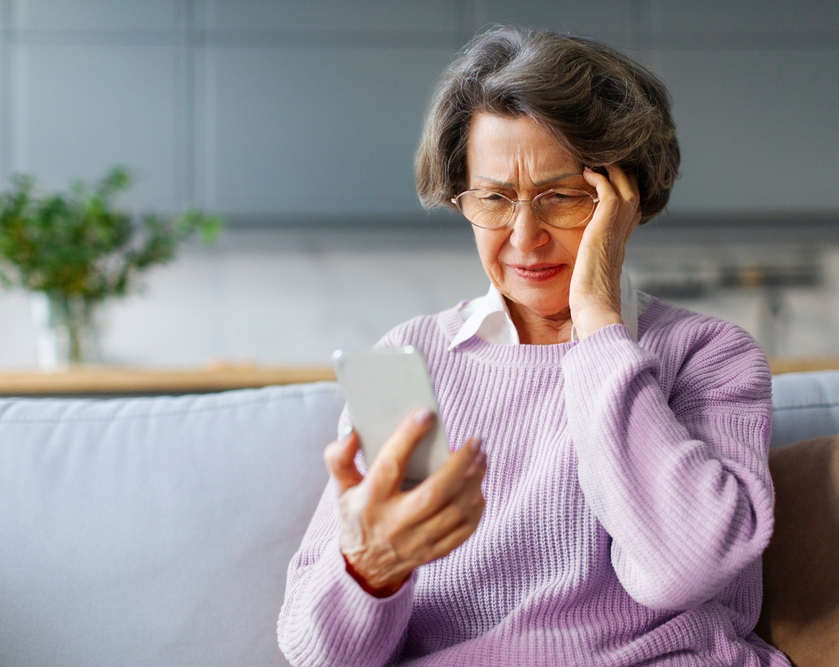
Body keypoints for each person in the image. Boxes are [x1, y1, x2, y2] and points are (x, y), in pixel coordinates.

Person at [278, 27, 790, 667]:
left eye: (561, 197)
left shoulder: (708, 357)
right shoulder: (414, 358)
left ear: (623, 200)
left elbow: (683, 571)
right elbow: (319, 656)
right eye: (494, 198)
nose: (525, 237)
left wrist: (599, 322)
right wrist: (372, 567)